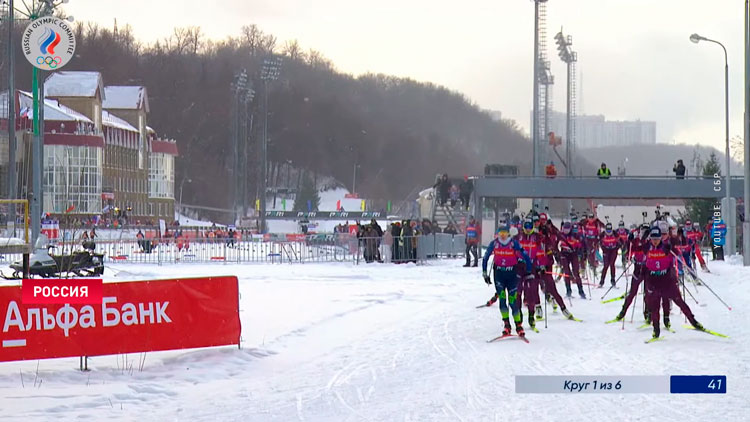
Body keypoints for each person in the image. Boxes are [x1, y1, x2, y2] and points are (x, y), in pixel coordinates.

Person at [643, 227, 703, 340]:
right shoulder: (647, 247)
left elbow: (677, 249)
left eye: (657, 238)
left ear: (661, 238)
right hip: (653, 279)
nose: (655, 241)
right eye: (653, 238)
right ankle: (656, 330)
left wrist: (672, 246)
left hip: (666, 279)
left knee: (679, 301)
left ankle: (693, 321)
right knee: (655, 306)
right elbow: (639, 248)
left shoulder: (666, 247)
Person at [482, 225, 533, 338]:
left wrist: (529, 269)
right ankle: (506, 325)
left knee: (512, 301)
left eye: (505, 233)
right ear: (498, 234)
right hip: (499, 275)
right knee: (502, 300)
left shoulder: (513, 243)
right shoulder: (494, 243)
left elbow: (525, 256)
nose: (503, 236)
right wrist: (485, 273)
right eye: (501, 234)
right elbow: (485, 258)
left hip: (512, 275)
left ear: (508, 234)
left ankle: (518, 325)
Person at [558, 222, 586, 298]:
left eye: (567, 229)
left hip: (573, 254)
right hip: (564, 254)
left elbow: (581, 244)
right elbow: (556, 243)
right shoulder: (561, 235)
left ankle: (581, 291)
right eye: (564, 229)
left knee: (576, 273)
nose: (566, 231)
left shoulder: (575, 235)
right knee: (566, 273)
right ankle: (568, 291)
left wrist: (580, 251)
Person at [599, 222, 621, 287]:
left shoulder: (615, 233)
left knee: (612, 264)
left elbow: (621, 241)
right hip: (606, 250)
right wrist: (602, 248)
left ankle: (613, 280)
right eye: (607, 230)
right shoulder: (603, 234)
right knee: (606, 265)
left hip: (613, 250)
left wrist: (618, 247)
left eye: (610, 230)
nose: (609, 231)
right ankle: (602, 281)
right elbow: (599, 241)